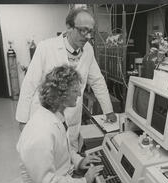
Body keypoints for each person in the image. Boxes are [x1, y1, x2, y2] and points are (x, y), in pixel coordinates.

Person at [16, 8, 117, 151]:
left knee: (70, 156)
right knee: (48, 156)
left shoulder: (88, 49)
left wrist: (109, 111)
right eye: (83, 30)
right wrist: (22, 120)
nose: (87, 36)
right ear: (69, 27)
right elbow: (29, 84)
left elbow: (97, 81)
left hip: (72, 114)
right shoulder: (46, 47)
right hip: (45, 114)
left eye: (90, 31)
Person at [17, 65, 104, 183]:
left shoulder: (56, 116)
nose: (80, 94)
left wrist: (79, 161)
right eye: (76, 90)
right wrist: (84, 182)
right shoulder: (41, 132)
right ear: (61, 95)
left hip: (60, 180)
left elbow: (62, 150)